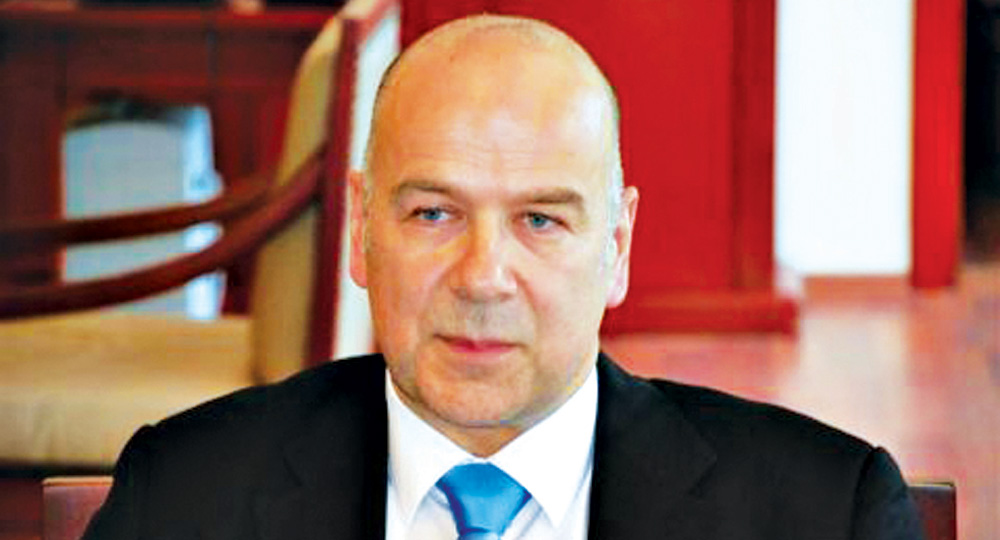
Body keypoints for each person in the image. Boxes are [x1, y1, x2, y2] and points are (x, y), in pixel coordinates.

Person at [84, 14, 925, 540]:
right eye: (433, 214)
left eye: (541, 221)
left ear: (618, 246)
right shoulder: (180, 498)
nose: (483, 277)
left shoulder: (825, 513)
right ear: (361, 230)